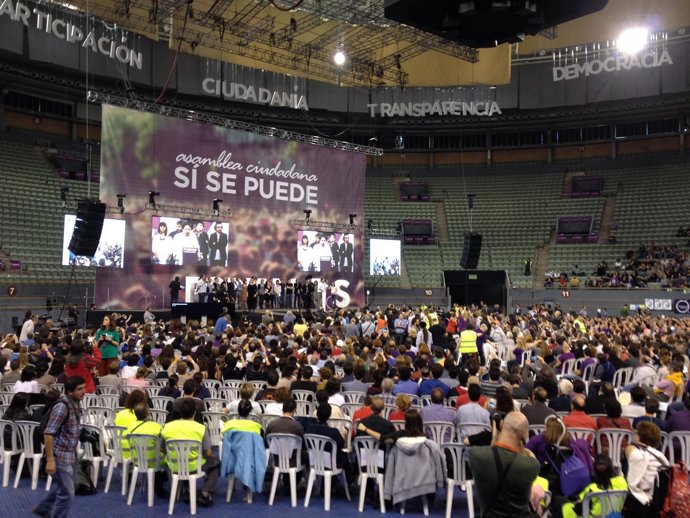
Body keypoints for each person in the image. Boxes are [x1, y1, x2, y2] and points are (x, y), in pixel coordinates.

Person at [32, 376, 86, 518]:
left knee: (64, 487)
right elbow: (48, 434)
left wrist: (74, 454)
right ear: (69, 391)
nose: (83, 392)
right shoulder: (62, 407)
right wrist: (50, 460)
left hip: (69, 454)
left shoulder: (75, 403)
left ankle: (43, 508)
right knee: (68, 494)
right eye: (79, 389)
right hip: (59, 455)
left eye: (84, 388)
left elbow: (70, 432)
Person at [468, 411, 540, 518]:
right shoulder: (531, 465)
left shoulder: (476, 454)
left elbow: (494, 452)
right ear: (525, 436)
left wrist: (495, 436)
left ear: (501, 425)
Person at [161, 398, 220, 507]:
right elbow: (208, 453)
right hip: (194, 466)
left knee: (179, 459)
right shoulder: (201, 428)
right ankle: (205, 493)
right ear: (195, 412)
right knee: (216, 463)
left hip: (174, 466)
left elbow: (162, 449)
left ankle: (187, 491)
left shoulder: (168, 426)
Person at [623, 421, 669, 518]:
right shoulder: (661, 457)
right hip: (657, 502)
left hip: (636, 502)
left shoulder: (634, 451)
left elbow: (629, 450)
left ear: (639, 436)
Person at [562, 454, 628, 518]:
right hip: (614, 516)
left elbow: (579, 508)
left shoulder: (592, 489)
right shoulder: (622, 481)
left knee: (563, 505)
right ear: (611, 467)